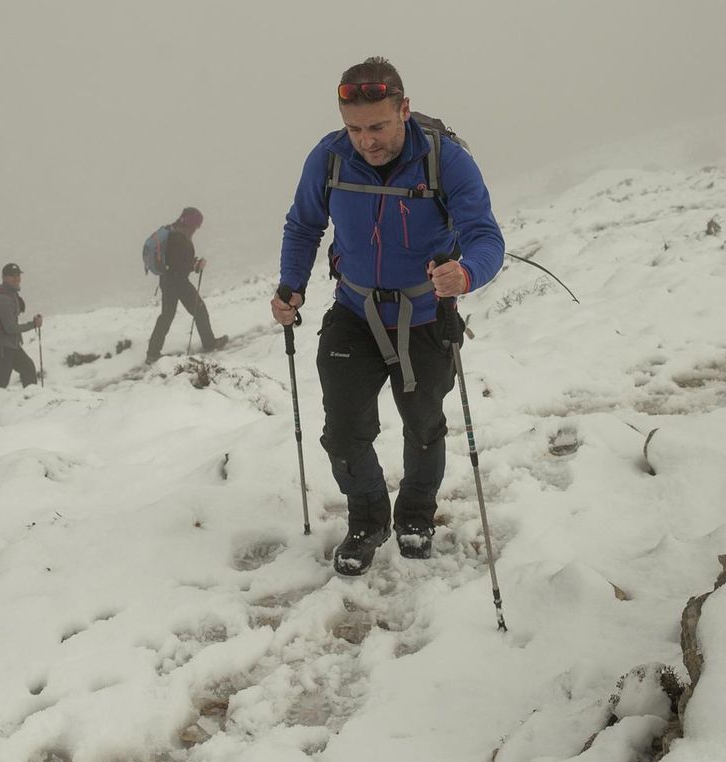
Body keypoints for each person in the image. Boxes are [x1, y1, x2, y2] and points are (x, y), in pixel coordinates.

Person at [271, 57, 504, 575]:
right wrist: (292, 286)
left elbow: (485, 236)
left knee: (423, 425)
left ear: (404, 109)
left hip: (426, 315)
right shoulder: (329, 158)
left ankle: (416, 517)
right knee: (343, 432)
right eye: (354, 129)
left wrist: (466, 274)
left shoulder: (445, 161)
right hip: (354, 311)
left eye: (377, 127)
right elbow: (303, 225)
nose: (366, 142)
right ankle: (368, 520)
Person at [145, 207, 229, 364]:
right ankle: (209, 343)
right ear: (191, 223)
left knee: (166, 316)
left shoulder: (174, 232)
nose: (197, 229)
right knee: (199, 309)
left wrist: (193, 263)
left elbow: (175, 261)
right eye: (196, 225)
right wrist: (195, 265)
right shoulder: (179, 238)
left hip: (168, 281)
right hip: (178, 282)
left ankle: (152, 353)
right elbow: (178, 264)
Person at [0, 262, 43, 392]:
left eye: (18, 275)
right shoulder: (4, 299)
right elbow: (10, 328)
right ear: (4, 278)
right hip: (3, 347)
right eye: (12, 276)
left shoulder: (10, 293)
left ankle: (31, 397)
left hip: (9, 345)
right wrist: (33, 324)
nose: (17, 279)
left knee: (27, 368)